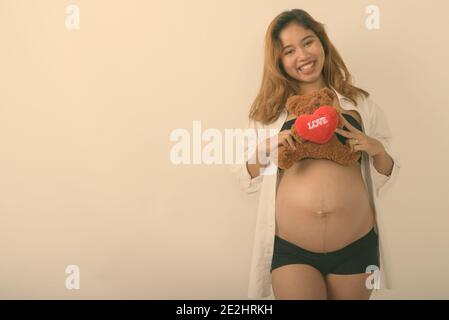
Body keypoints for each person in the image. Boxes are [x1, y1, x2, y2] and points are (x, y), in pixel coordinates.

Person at [231, 9, 401, 300]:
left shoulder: (359, 102)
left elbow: (387, 171)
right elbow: (244, 178)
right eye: (289, 50)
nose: (302, 55)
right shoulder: (269, 112)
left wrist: (376, 148)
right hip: (291, 250)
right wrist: (267, 147)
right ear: (279, 61)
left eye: (308, 42)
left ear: (322, 43)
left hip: (357, 247)